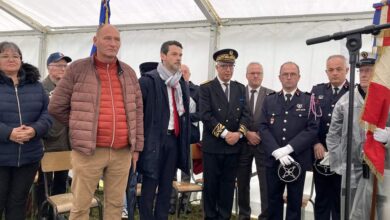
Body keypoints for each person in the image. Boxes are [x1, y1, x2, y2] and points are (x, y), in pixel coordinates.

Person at [48, 24, 144, 220]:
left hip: (122, 152)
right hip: (88, 152)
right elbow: (56, 106)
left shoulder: (129, 72)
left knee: (116, 205)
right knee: (81, 205)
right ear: (95, 41)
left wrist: (136, 148)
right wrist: (80, 126)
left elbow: (138, 111)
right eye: (107, 38)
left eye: (117, 39)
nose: (113, 43)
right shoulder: (77, 68)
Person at [259, 62, 319, 220]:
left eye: (293, 74)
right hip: (274, 160)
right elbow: (263, 127)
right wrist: (276, 151)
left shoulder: (308, 100)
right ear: (279, 77)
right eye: (285, 74)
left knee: (294, 201)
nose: (289, 77)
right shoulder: (269, 100)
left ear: (299, 77)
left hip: (296, 160)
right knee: (273, 200)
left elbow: (312, 128)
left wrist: (289, 149)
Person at [138, 40, 190, 220]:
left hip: (173, 140)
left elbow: (184, 114)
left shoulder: (180, 82)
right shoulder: (148, 80)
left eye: (180, 55)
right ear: (163, 55)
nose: (178, 58)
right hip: (153, 142)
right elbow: (138, 115)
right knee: (149, 186)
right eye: (174, 54)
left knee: (167, 187)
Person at [0, 41, 52, 220]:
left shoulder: (36, 86)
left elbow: (47, 115)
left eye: (15, 56)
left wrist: (34, 130)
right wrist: (8, 133)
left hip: (29, 157)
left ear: (21, 60)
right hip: (1, 157)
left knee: (18, 202)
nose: (11, 59)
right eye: (5, 56)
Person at [199, 48, 250, 220]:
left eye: (231, 66)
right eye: (224, 66)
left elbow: (246, 114)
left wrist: (239, 134)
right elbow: (205, 115)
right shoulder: (206, 88)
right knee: (211, 187)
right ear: (217, 67)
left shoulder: (240, 88)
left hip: (234, 147)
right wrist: (226, 133)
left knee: (227, 187)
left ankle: (224, 217)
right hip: (213, 147)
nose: (228, 70)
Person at [326, 53, 376, 219]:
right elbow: (333, 135)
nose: (364, 74)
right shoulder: (345, 101)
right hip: (351, 168)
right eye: (361, 70)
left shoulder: (386, 99)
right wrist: (339, 163)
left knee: (375, 208)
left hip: (379, 168)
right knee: (349, 210)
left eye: (368, 70)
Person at [310, 55, 349, 220]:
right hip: (320, 154)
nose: (334, 73)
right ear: (326, 72)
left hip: (343, 155)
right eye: (331, 70)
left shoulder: (353, 92)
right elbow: (310, 121)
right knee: (322, 200)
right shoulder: (317, 91)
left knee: (339, 200)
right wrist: (315, 143)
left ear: (347, 70)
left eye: (338, 69)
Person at [36, 52, 72, 218]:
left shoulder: (68, 88)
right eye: (58, 65)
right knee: (44, 183)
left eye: (65, 66)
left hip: (66, 142)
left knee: (62, 180)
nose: (63, 69)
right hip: (47, 143)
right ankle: (44, 213)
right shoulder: (41, 89)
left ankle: (58, 212)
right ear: (49, 68)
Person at [237, 62, 273, 220]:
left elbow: (274, 122)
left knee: (265, 183)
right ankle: (244, 214)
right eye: (252, 73)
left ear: (263, 75)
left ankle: (265, 216)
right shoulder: (238, 93)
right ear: (246, 75)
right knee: (242, 182)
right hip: (242, 144)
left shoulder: (271, 95)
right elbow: (233, 119)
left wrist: (259, 135)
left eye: (259, 72)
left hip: (262, 145)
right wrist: (247, 134)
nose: (256, 75)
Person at [169, 64, 200, 215]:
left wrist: (185, 119)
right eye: (179, 72)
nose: (182, 74)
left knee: (187, 170)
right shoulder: (172, 86)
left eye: (185, 72)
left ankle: (185, 204)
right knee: (171, 170)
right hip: (174, 136)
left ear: (190, 74)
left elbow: (201, 113)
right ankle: (172, 202)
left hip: (189, 136)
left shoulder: (197, 90)